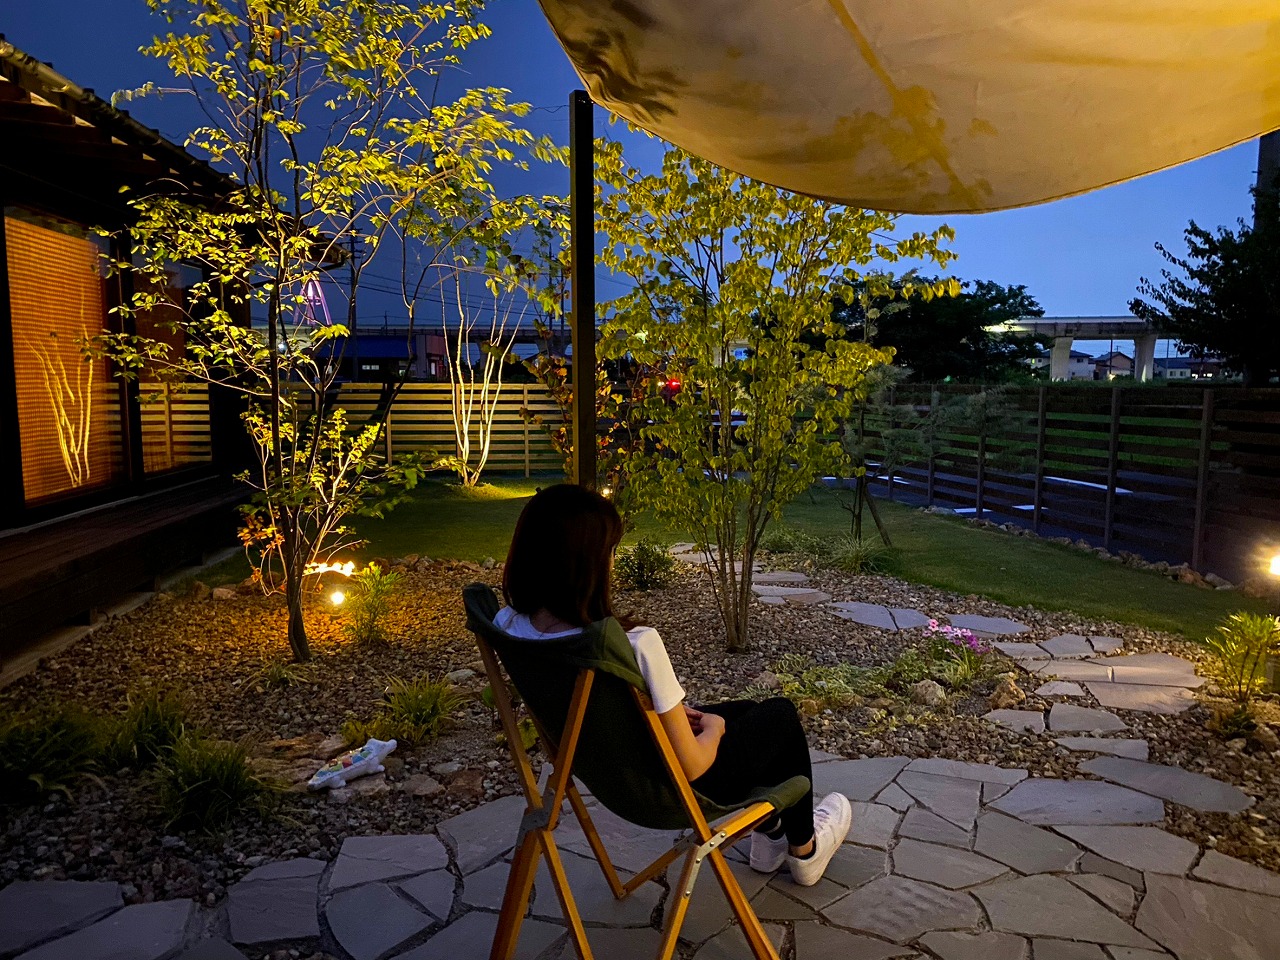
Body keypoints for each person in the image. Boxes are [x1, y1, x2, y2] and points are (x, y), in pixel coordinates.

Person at [497, 483, 852, 886]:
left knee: (748, 713)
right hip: (671, 792)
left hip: (618, 777)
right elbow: (694, 765)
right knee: (780, 717)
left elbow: (601, 707)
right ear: (587, 565)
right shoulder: (633, 644)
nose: (613, 562)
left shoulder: (510, 626)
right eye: (610, 552)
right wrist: (714, 729)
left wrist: (654, 715)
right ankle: (805, 851)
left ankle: (770, 836)